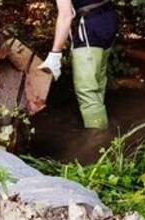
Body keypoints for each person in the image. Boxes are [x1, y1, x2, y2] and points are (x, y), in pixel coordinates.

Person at [39, 0, 118, 129]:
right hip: (109, 18)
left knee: (87, 91)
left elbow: (66, 15)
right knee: (98, 80)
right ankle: (103, 125)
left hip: (90, 25)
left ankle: (98, 139)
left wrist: (55, 53)